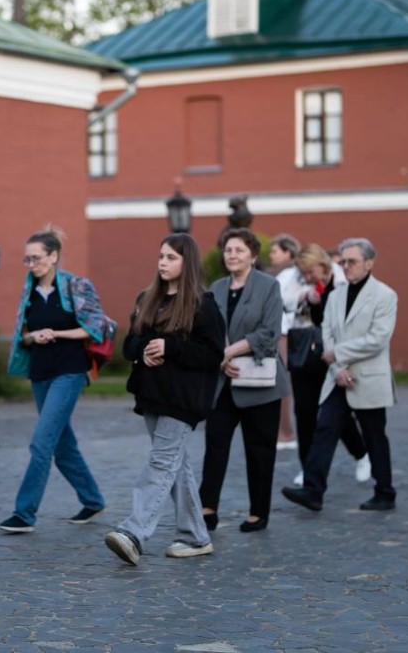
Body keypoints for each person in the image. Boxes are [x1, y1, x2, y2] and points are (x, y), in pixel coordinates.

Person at [105, 234, 224, 565]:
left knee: (161, 462)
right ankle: (196, 536)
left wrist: (171, 348)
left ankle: (134, 532)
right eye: (160, 256)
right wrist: (144, 350)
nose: (162, 262)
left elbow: (213, 354)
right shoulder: (148, 298)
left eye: (171, 257)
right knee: (176, 465)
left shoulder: (203, 304)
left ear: (187, 263)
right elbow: (129, 345)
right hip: (152, 395)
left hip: (183, 400)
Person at [0, 227, 108, 533]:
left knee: (42, 442)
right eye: (27, 259)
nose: (31, 265)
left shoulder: (76, 286)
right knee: (62, 444)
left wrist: (56, 333)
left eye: (36, 258)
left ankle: (24, 513)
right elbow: (23, 332)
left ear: (54, 256)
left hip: (70, 371)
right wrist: (33, 336)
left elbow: (95, 327)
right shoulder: (29, 291)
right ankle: (93, 499)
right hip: (40, 372)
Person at [282, 238, 398, 512]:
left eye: (352, 261)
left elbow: (377, 339)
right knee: (324, 428)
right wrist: (339, 367)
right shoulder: (335, 296)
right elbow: (327, 335)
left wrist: (339, 355)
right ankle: (313, 490)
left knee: (374, 435)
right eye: (343, 261)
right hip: (339, 375)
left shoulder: (385, 295)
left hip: (368, 376)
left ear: (369, 263)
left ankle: (385, 491)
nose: (346, 266)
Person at [198, 228, 288, 533]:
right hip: (224, 381)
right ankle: (207, 508)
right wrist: (220, 357)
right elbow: (209, 328)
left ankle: (258, 512)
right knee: (215, 444)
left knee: (259, 449)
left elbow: (269, 332)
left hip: (260, 383)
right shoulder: (217, 287)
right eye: (227, 250)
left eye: (238, 250)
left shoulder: (268, 286)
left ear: (253, 255)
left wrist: (229, 351)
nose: (232, 255)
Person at [287, 244, 370, 487]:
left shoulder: (343, 280)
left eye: (311, 272)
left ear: (323, 265)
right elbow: (284, 299)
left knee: (336, 414)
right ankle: (308, 469)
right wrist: (304, 295)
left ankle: (361, 453)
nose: (308, 277)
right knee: (304, 412)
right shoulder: (298, 280)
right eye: (304, 273)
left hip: (335, 356)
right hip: (305, 355)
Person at [269, 233, 302, 450]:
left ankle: (287, 433)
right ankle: (284, 432)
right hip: (281, 332)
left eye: (275, 251)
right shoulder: (282, 275)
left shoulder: (292, 276)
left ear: (288, 252)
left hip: (285, 333)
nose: (271, 255)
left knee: (283, 385)